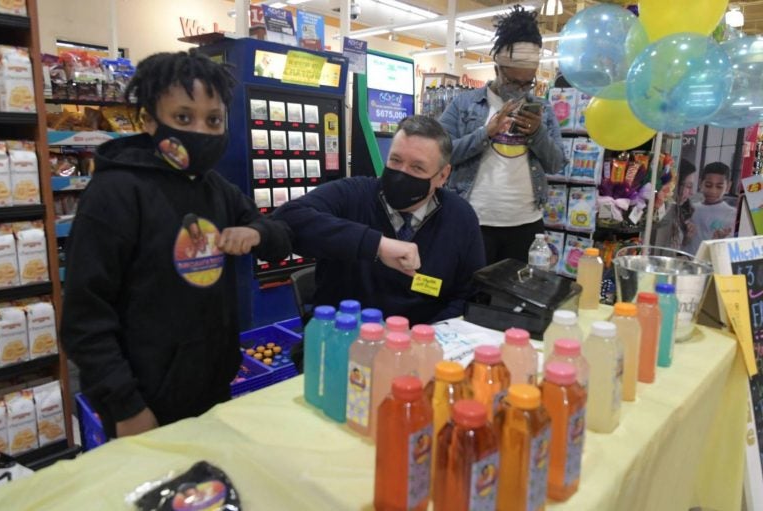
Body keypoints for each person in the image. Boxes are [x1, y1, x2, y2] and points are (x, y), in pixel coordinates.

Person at [61, 50, 292, 439]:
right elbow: (85, 319)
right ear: (149, 120)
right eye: (183, 118)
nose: (200, 132)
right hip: (143, 401)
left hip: (212, 387)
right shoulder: (114, 194)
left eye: (213, 120)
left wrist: (257, 233)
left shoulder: (216, 189)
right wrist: (125, 406)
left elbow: (280, 239)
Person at [272, 115, 485, 325]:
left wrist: (422, 339)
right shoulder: (352, 195)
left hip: (424, 343)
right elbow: (286, 219)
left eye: (417, 167)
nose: (402, 173)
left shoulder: (460, 216)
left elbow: (468, 295)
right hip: (345, 338)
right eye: (395, 160)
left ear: (442, 176)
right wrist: (376, 245)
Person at [438, 6, 565, 265]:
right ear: (497, 70)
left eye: (527, 83)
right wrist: (486, 133)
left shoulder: (543, 110)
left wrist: (537, 133)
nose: (520, 90)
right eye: (513, 82)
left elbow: (557, 163)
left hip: (526, 223)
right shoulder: (464, 105)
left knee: (514, 301)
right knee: (469, 295)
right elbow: (441, 154)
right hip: (473, 220)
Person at [683, 161, 737, 254]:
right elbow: (682, 243)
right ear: (700, 183)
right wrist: (686, 237)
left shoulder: (732, 215)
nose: (713, 191)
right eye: (708, 185)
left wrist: (719, 242)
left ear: (728, 186)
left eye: (719, 187)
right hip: (686, 261)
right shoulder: (690, 208)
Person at [654, 159, 697, 250]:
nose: (692, 193)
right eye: (689, 186)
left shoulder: (680, 211)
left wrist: (687, 237)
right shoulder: (660, 208)